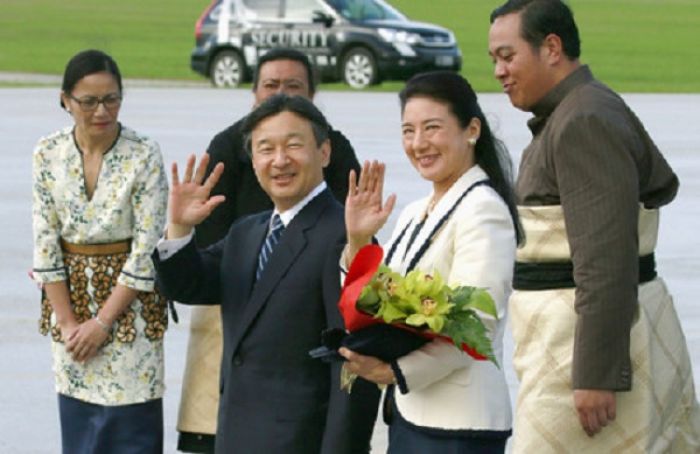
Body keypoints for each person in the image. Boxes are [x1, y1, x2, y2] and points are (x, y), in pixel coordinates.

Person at [488, 1, 700, 452]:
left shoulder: (583, 119)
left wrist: (597, 376)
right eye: (494, 60)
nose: (499, 71)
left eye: (508, 56)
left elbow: (606, 258)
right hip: (565, 346)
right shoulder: (573, 111)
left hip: (581, 357)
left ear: (551, 48)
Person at [153, 94, 379, 454]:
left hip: (300, 442)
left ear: (324, 152)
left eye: (293, 145)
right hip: (234, 437)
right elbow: (188, 284)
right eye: (265, 149)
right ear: (253, 160)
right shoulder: (248, 231)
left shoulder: (343, 234)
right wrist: (179, 227)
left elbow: (353, 363)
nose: (279, 160)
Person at [339, 71, 522, 453]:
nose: (418, 143)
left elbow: (476, 325)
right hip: (412, 413)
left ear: (471, 130)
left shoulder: (483, 210)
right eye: (408, 131)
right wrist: (358, 240)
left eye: (432, 128)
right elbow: (376, 297)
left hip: (458, 425)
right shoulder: (414, 211)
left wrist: (396, 372)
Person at [31, 49, 169, 453]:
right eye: (88, 101)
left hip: (130, 314)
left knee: (131, 432)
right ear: (65, 101)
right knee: (82, 435)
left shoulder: (144, 153)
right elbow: (44, 243)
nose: (101, 111)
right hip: (70, 313)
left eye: (111, 98)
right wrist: (71, 323)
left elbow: (147, 251)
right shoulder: (47, 152)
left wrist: (103, 323)